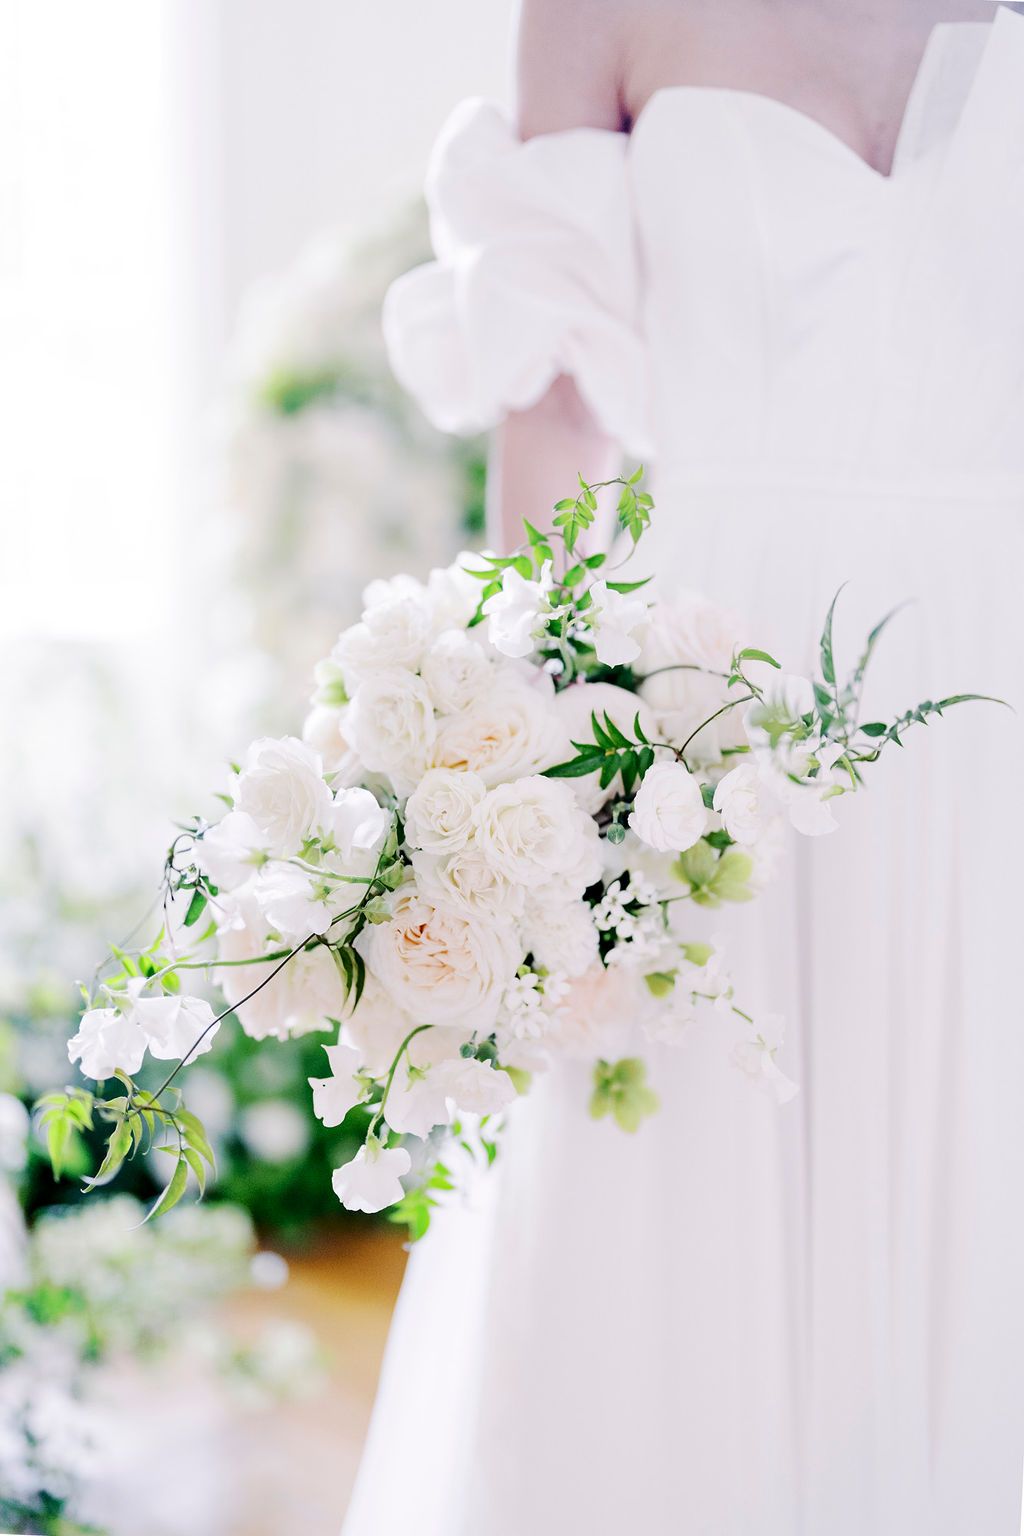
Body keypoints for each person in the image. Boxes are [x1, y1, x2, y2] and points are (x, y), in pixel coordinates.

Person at [344, 3, 1024, 1531]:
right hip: (715, 703)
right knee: (691, 1196)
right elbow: (555, 401)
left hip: (1006, 706)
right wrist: (525, 763)